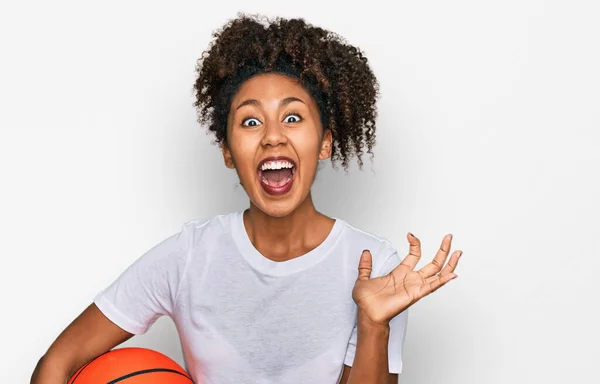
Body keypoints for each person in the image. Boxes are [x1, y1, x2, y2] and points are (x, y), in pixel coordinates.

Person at [31, 13, 462, 384]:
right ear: (227, 151)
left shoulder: (377, 268)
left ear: (326, 143)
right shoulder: (188, 258)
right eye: (250, 121)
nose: (273, 136)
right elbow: (58, 362)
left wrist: (373, 324)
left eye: (292, 117)